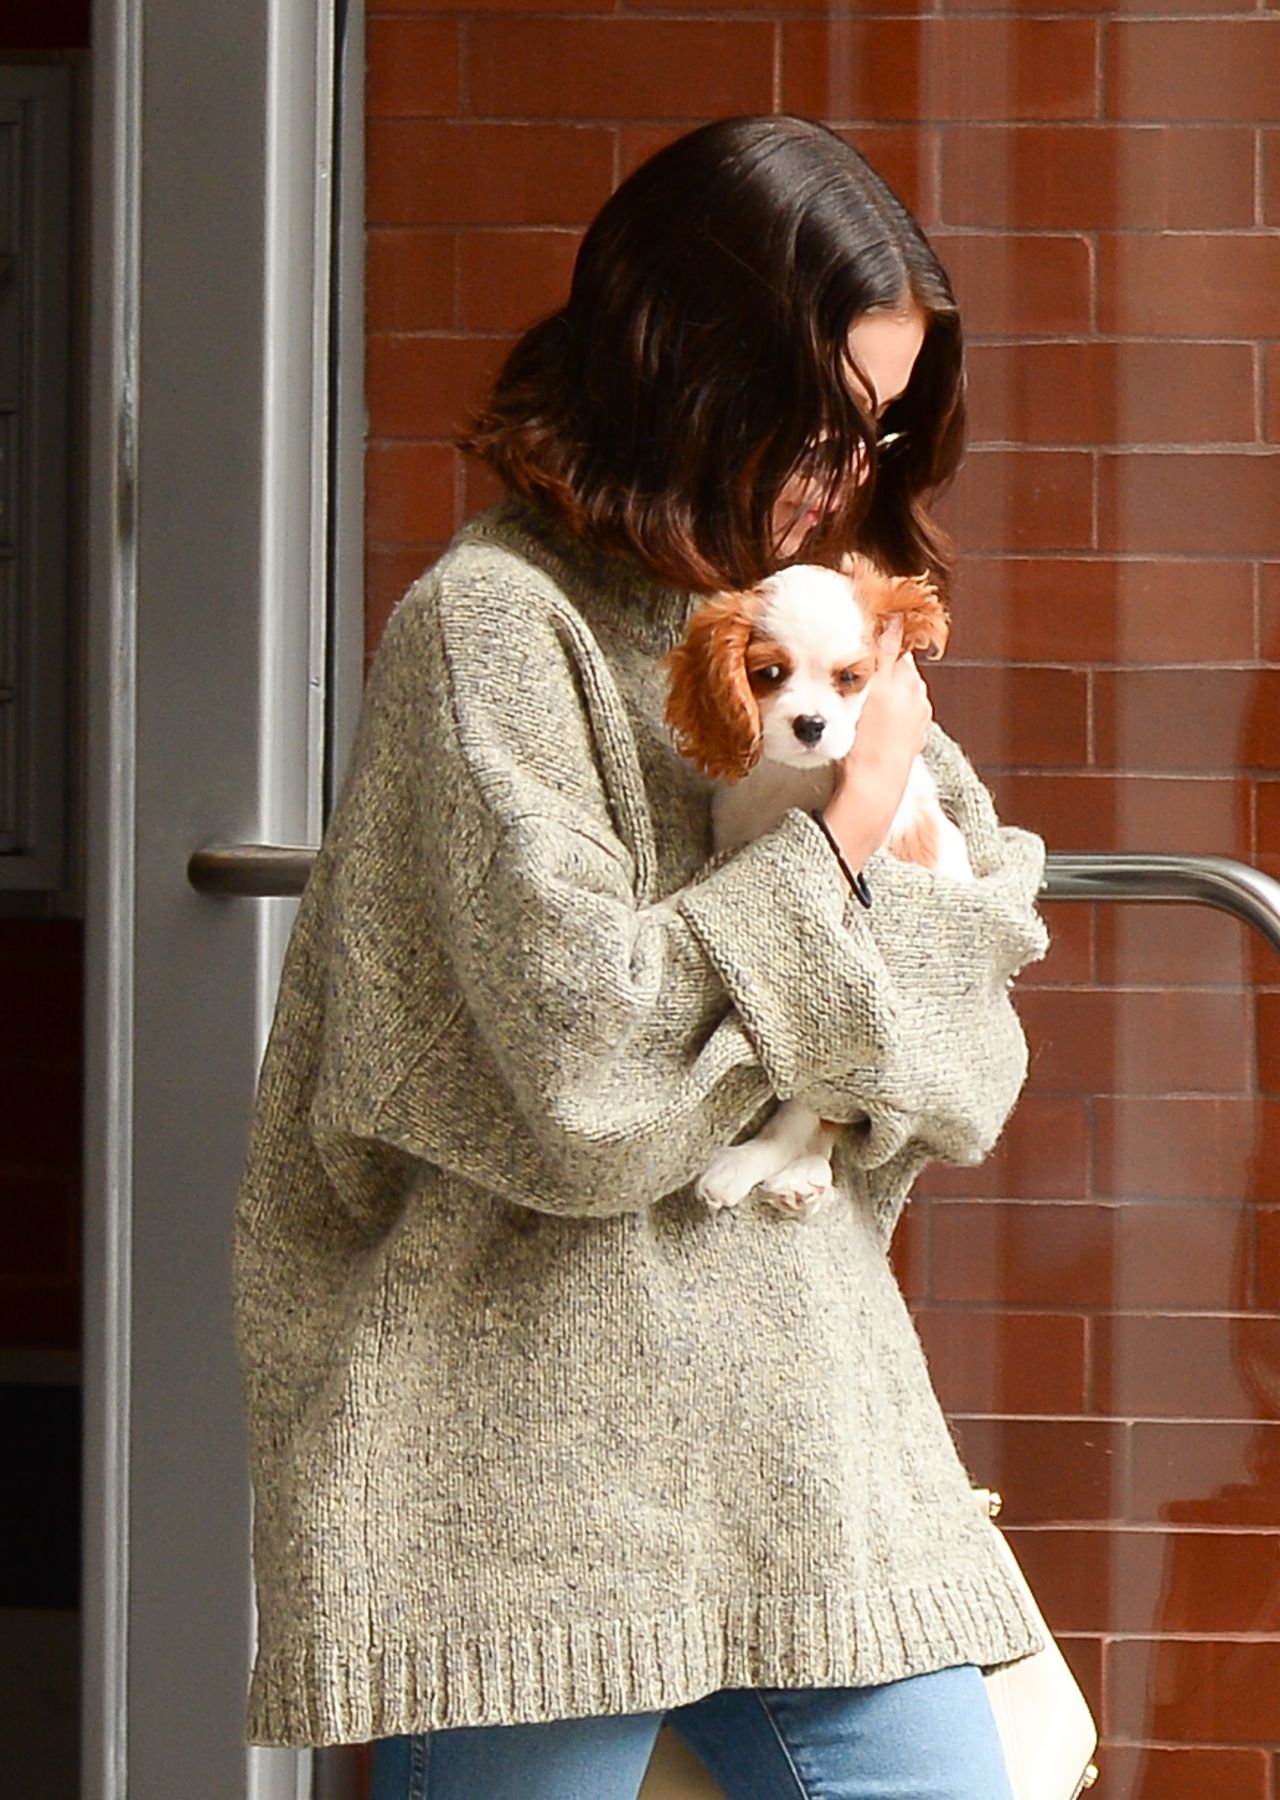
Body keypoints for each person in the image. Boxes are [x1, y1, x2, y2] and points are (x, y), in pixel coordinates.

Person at [231, 115, 1051, 1800]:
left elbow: (972, 1046)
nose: (846, 475)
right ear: (688, 369)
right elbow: (588, 1087)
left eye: (880, 432)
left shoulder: (816, 617)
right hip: (529, 1451)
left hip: (805, 1428)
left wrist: (819, 950)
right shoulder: (493, 627)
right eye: (821, 421)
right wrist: (841, 838)